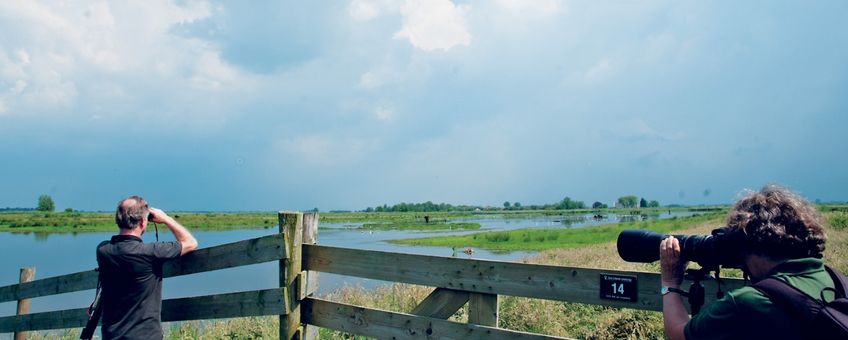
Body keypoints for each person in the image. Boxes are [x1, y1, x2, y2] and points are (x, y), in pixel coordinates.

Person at [660, 185, 833, 340]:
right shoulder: (835, 280)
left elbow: (679, 335)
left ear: (754, 245)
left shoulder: (748, 301)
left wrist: (669, 282)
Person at [96, 196, 198, 339]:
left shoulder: (103, 250)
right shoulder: (151, 252)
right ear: (143, 222)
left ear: (118, 220)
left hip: (111, 335)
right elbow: (190, 242)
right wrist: (166, 218)